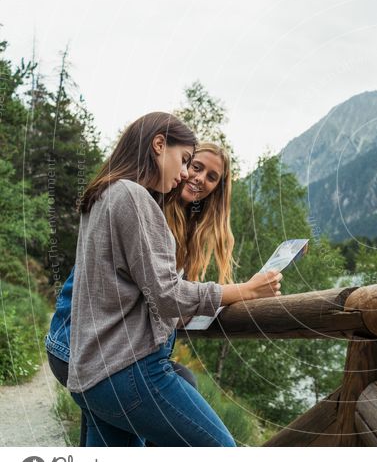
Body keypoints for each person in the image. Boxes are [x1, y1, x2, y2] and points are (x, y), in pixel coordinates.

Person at [63, 112, 281, 446]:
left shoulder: (103, 194)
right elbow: (166, 295)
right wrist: (245, 291)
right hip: (127, 370)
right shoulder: (134, 198)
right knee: (221, 449)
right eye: (184, 161)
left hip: (90, 375)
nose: (183, 175)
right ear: (158, 145)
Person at [45, 141, 236, 446]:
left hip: (98, 347)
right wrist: (237, 293)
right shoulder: (146, 205)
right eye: (193, 165)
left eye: (212, 177)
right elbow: (165, 296)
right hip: (85, 345)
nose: (198, 177)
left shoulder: (181, 223)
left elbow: (159, 299)